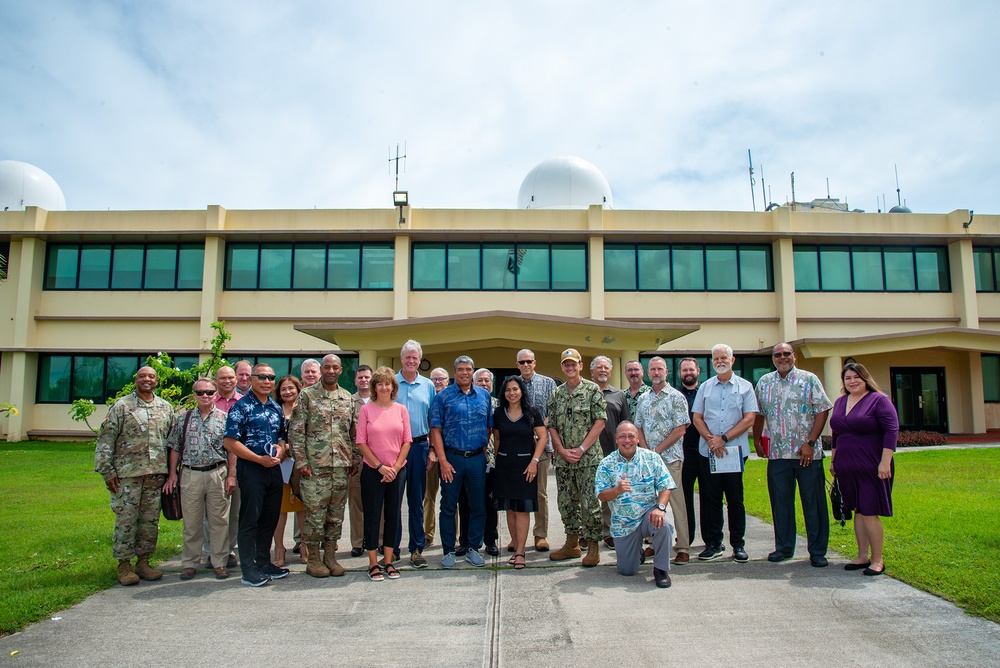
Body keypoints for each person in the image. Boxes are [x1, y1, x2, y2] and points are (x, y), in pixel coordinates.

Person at [753, 342, 833, 567]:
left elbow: (822, 410)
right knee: (781, 504)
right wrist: (758, 439)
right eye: (777, 355)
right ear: (773, 359)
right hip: (778, 454)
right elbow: (759, 413)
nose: (782, 358)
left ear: (794, 356)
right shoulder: (765, 382)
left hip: (807, 454)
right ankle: (784, 547)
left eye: (786, 354)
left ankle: (817, 551)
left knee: (813, 504)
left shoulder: (809, 379)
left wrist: (810, 442)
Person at [95, 366, 174, 585]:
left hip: (155, 475)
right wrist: (107, 471)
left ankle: (144, 562)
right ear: (136, 380)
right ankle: (124, 566)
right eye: (142, 376)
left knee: (149, 520)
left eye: (151, 376)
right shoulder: (122, 407)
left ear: (157, 381)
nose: (146, 379)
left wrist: (172, 473)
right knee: (126, 519)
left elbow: (172, 442)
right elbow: (106, 440)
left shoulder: (165, 408)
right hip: (127, 475)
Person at [287, 354, 359, 578]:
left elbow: (353, 432)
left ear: (340, 371)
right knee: (315, 515)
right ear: (321, 370)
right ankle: (314, 560)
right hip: (314, 468)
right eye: (326, 367)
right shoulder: (307, 396)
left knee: (335, 515)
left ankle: (330, 557)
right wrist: (301, 461)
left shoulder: (347, 398)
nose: (330, 370)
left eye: (334, 367)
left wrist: (354, 459)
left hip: (340, 467)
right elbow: (296, 431)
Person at [829, 362, 898, 576]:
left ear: (865, 378)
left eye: (856, 377)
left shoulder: (878, 401)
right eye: (847, 378)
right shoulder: (841, 402)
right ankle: (862, 556)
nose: (852, 381)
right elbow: (836, 435)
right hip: (846, 465)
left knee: (869, 510)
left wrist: (885, 461)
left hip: (872, 464)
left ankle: (878, 560)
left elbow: (891, 430)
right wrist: (834, 460)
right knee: (858, 510)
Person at [691, 344, 757, 562]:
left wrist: (723, 439)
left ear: (732, 360)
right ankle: (713, 543)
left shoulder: (745, 387)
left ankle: (738, 544)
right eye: (716, 358)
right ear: (712, 362)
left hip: (734, 452)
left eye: (723, 358)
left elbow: (749, 418)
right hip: (708, 452)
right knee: (711, 500)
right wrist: (711, 440)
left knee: (735, 500)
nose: (720, 361)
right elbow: (697, 418)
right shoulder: (705, 387)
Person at [224, 364, 288, 587]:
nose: (267, 381)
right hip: (252, 468)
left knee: (269, 518)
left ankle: (264, 562)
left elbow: (282, 436)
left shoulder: (275, 407)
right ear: (251, 379)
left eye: (271, 377)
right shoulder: (241, 407)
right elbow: (230, 441)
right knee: (250, 519)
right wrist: (259, 459)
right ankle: (248, 569)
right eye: (261, 377)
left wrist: (281, 449)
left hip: (273, 468)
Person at [164, 377, 232, 580]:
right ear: (194, 395)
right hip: (191, 474)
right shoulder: (183, 419)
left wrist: (232, 476)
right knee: (192, 522)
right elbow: (175, 447)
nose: (205, 396)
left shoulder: (225, 418)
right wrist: (172, 474)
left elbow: (231, 449)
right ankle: (190, 563)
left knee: (219, 521)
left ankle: (219, 562)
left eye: (209, 392)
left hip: (217, 473)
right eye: (200, 392)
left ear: (215, 394)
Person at [429, 355, 494, 568]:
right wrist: (443, 460)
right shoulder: (443, 397)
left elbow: (489, 426)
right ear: (454, 372)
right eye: (460, 369)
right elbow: (435, 430)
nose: (464, 373)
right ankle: (448, 550)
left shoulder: (483, 396)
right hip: (452, 459)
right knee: (448, 506)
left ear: (472, 372)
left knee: (478, 505)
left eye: (468, 369)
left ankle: (473, 548)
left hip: (476, 459)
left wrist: (482, 449)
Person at [595, 422, 675, 589]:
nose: (627, 440)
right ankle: (637, 553)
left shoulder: (652, 458)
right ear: (616, 439)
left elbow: (665, 486)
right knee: (627, 570)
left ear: (638, 438)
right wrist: (617, 490)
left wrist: (660, 508)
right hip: (624, 523)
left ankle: (661, 570)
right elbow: (601, 494)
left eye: (631, 436)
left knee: (664, 525)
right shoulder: (606, 463)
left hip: (648, 514)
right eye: (622, 436)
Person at [547, 348, 607, 566]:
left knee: (590, 503)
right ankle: (571, 544)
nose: (570, 367)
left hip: (588, 459)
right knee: (566, 502)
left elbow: (600, 422)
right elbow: (551, 424)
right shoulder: (557, 393)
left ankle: (592, 547)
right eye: (566, 364)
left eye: (574, 363)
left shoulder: (593, 390)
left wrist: (581, 449)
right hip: (564, 460)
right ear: (562, 367)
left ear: (581, 365)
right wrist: (561, 450)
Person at [634, 356, 692, 564]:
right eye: (652, 370)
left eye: (660, 369)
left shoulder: (676, 397)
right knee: (650, 502)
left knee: (676, 503)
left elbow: (680, 429)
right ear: (647, 373)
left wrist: (657, 449)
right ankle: (653, 543)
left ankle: (683, 546)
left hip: (670, 458)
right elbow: (638, 427)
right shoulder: (643, 398)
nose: (656, 373)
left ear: (666, 372)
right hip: (648, 460)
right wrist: (646, 451)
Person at [356, 366, 412, 581]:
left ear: (393, 387)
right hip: (373, 471)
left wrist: (395, 468)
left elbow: (407, 440)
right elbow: (361, 441)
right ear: (374, 387)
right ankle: (372, 563)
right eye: (379, 383)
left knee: (393, 515)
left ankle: (388, 561)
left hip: (397, 471)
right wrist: (380, 467)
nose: (384, 387)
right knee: (372, 515)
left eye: (387, 383)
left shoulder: (401, 410)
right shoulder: (366, 410)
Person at [492, 376, 548, 569]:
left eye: (515, 389)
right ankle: (515, 545)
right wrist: (497, 463)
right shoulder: (498, 413)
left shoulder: (532, 412)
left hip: (526, 466)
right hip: (505, 465)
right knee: (509, 508)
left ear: (522, 391)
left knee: (522, 508)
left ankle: (520, 552)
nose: (512, 393)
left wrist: (534, 461)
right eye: (508, 390)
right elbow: (497, 439)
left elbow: (542, 437)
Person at [395, 340, 435, 568]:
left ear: (420, 360)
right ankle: (392, 548)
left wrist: (431, 450)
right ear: (401, 359)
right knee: (394, 500)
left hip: (419, 447)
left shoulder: (427, 385)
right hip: (395, 449)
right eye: (407, 357)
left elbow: (432, 420)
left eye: (415, 358)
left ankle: (416, 549)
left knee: (416, 500)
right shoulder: (391, 384)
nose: (411, 361)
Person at [516, 348, 557, 552]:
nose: (525, 365)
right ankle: (517, 537)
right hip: (517, 447)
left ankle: (540, 535)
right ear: (517, 365)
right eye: (522, 362)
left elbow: (553, 411)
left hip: (542, 445)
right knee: (517, 493)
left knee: (540, 493)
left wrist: (538, 427)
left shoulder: (548, 383)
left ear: (535, 363)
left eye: (529, 361)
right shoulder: (512, 384)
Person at [589, 355, 631, 548]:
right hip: (588, 452)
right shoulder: (585, 392)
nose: (603, 370)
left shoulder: (619, 395)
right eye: (599, 367)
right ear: (591, 372)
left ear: (611, 372)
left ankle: (608, 531)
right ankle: (588, 532)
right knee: (588, 494)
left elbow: (626, 424)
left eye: (606, 367)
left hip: (612, 452)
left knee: (609, 494)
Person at [458, 368, 500, 556]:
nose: (484, 383)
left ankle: (490, 540)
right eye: (480, 380)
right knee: (465, 501)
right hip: (469, 458)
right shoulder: (468, 400)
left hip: (491, 461)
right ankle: (465, 541)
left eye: (487, 381)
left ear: (492, 384)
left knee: (489, 503)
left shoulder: (499, 405)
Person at [270, 375, 306, 568]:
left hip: (301, 466)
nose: (288, 392)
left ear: (298, 390)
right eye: (284, 389)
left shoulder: (304, 409)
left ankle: (305, 547)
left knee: (302, 507)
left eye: (291, 388)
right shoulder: (274, 411)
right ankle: (279, 548)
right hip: (280, 466)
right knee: (280, 509)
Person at [348, 364, 373, 557]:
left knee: (378, 503)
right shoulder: (348, 402)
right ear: (355, 380)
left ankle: (379, 539)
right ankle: (358, 542)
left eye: (367, 377)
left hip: (378, 461)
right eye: (360, 377)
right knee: (356, 504)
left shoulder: (380, 401)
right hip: (356, 462)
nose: (364, 380)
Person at [677, 357, 702, 545]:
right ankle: (687, 537)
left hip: (707, 451)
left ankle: (712, 540)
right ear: (680, 373)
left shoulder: (707, 392)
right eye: (684, 370)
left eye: (691, 370)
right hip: (684, 454)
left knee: (710, 497)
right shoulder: (675, 395)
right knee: (685, 500)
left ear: (698, 371)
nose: (688, 373)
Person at [423, 366, 450, 546]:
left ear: (448, 381)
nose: (438, 382)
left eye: (441, 379)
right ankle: (427, 534)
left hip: (450, 455)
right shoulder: (426, 400)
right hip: (429, 454)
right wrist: (432, 450)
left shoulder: (453, 399)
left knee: (450, 498)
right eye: (434, 379)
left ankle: (453, 538)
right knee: (428, 496)